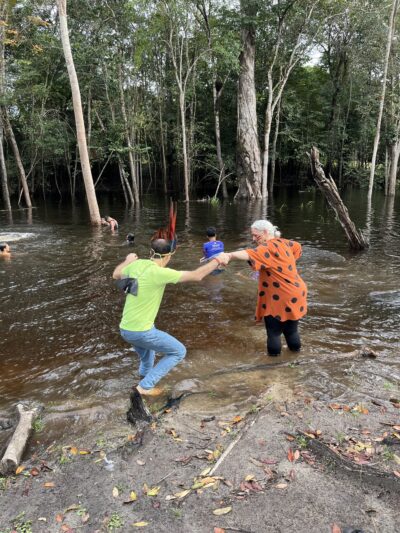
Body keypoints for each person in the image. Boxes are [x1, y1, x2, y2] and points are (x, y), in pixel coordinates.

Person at [113, 239, 230, 396]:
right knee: (178, 351)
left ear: (151, 252)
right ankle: (144, 387)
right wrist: (217, 260)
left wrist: (127, 261)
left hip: (126, 329)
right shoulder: (161, 273)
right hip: (141, 331)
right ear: (168, 257)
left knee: (148, 357)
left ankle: (143, 379)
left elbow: (116, 274)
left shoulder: (136, 264)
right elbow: (196, 275)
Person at [226, 220, 307, 357]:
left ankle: (273, 364)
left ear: (265, 232)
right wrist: (283, 262)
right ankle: (296, 357)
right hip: (296, 291)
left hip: (280, 295)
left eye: (255, 235)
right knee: (291, 330)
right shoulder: (284, 242)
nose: (253, 239)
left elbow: (248, 254)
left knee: (273, 332)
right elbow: (298, 247)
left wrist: (228, 255)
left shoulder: (267, 248)